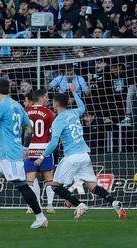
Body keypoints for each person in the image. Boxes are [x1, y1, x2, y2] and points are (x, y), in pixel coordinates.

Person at [34, 84, 127, 219]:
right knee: (93, 187)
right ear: (67, 103)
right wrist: (75, 92)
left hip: (71, 157)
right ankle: (114, 202)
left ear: (55, 104)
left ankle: (79, 205)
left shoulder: (58, 120)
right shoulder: (74, 113)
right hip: (84, 155)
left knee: (54, 186)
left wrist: (42, 156)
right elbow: (83, 107)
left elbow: (54, 143)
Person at [0, 79, 48, 229]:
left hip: (9, 152)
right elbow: (28, 128)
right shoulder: (18, 105)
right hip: (3, 152)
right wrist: (25, 148)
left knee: (21, 185)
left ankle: (40, 217)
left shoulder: (1, 106)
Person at [24, 89, 56, 214]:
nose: (47, 99)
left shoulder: (26, 112)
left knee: (30, 180)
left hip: (30, 149)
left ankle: (32, 206)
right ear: (41, 99)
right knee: (49, 178)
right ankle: (50, 205)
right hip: (44, 149)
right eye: (46, 97)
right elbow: (53, 132)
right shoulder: (48, 112)